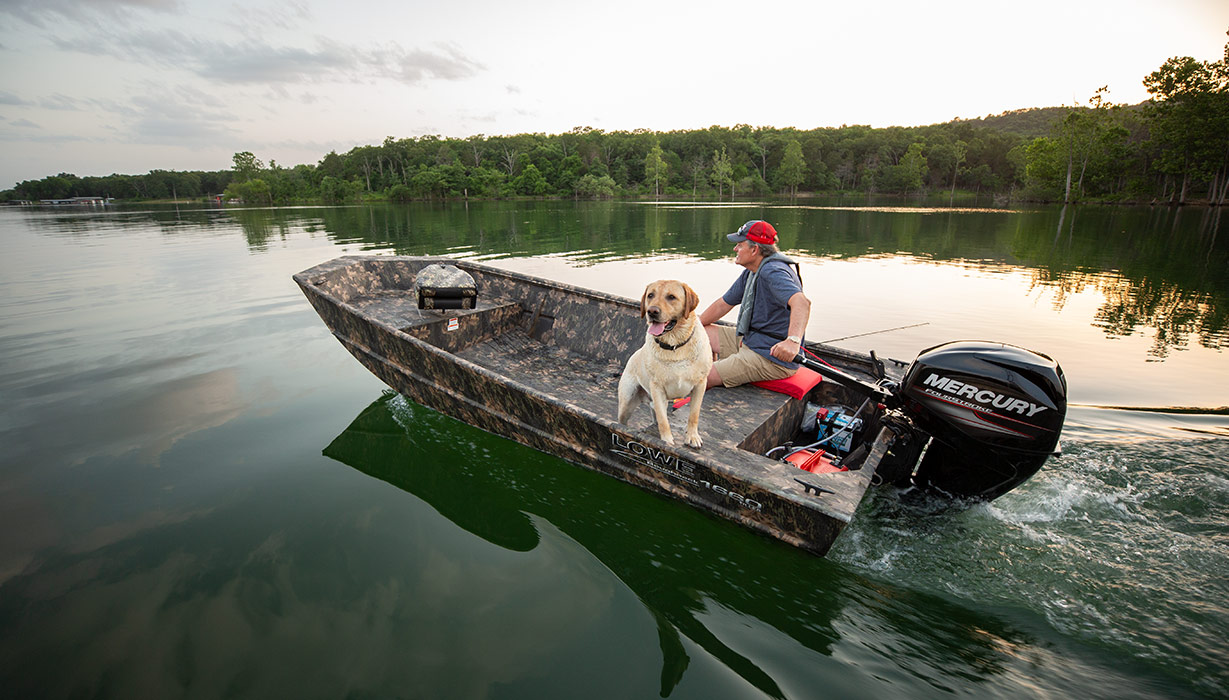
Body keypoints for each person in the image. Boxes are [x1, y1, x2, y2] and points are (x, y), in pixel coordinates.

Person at [699, 220, 811, 388]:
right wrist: (695, 325)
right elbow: (723, 304)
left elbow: (802, 303)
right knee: (697, 333)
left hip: (770, 357)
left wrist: (792, 342)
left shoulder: (772, 271)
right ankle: (716, 369)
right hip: (752, 340)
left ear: (754, 249)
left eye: (740, 245)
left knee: (698, 378)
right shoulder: (752, 271)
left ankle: (708, 379)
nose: (735, 249)